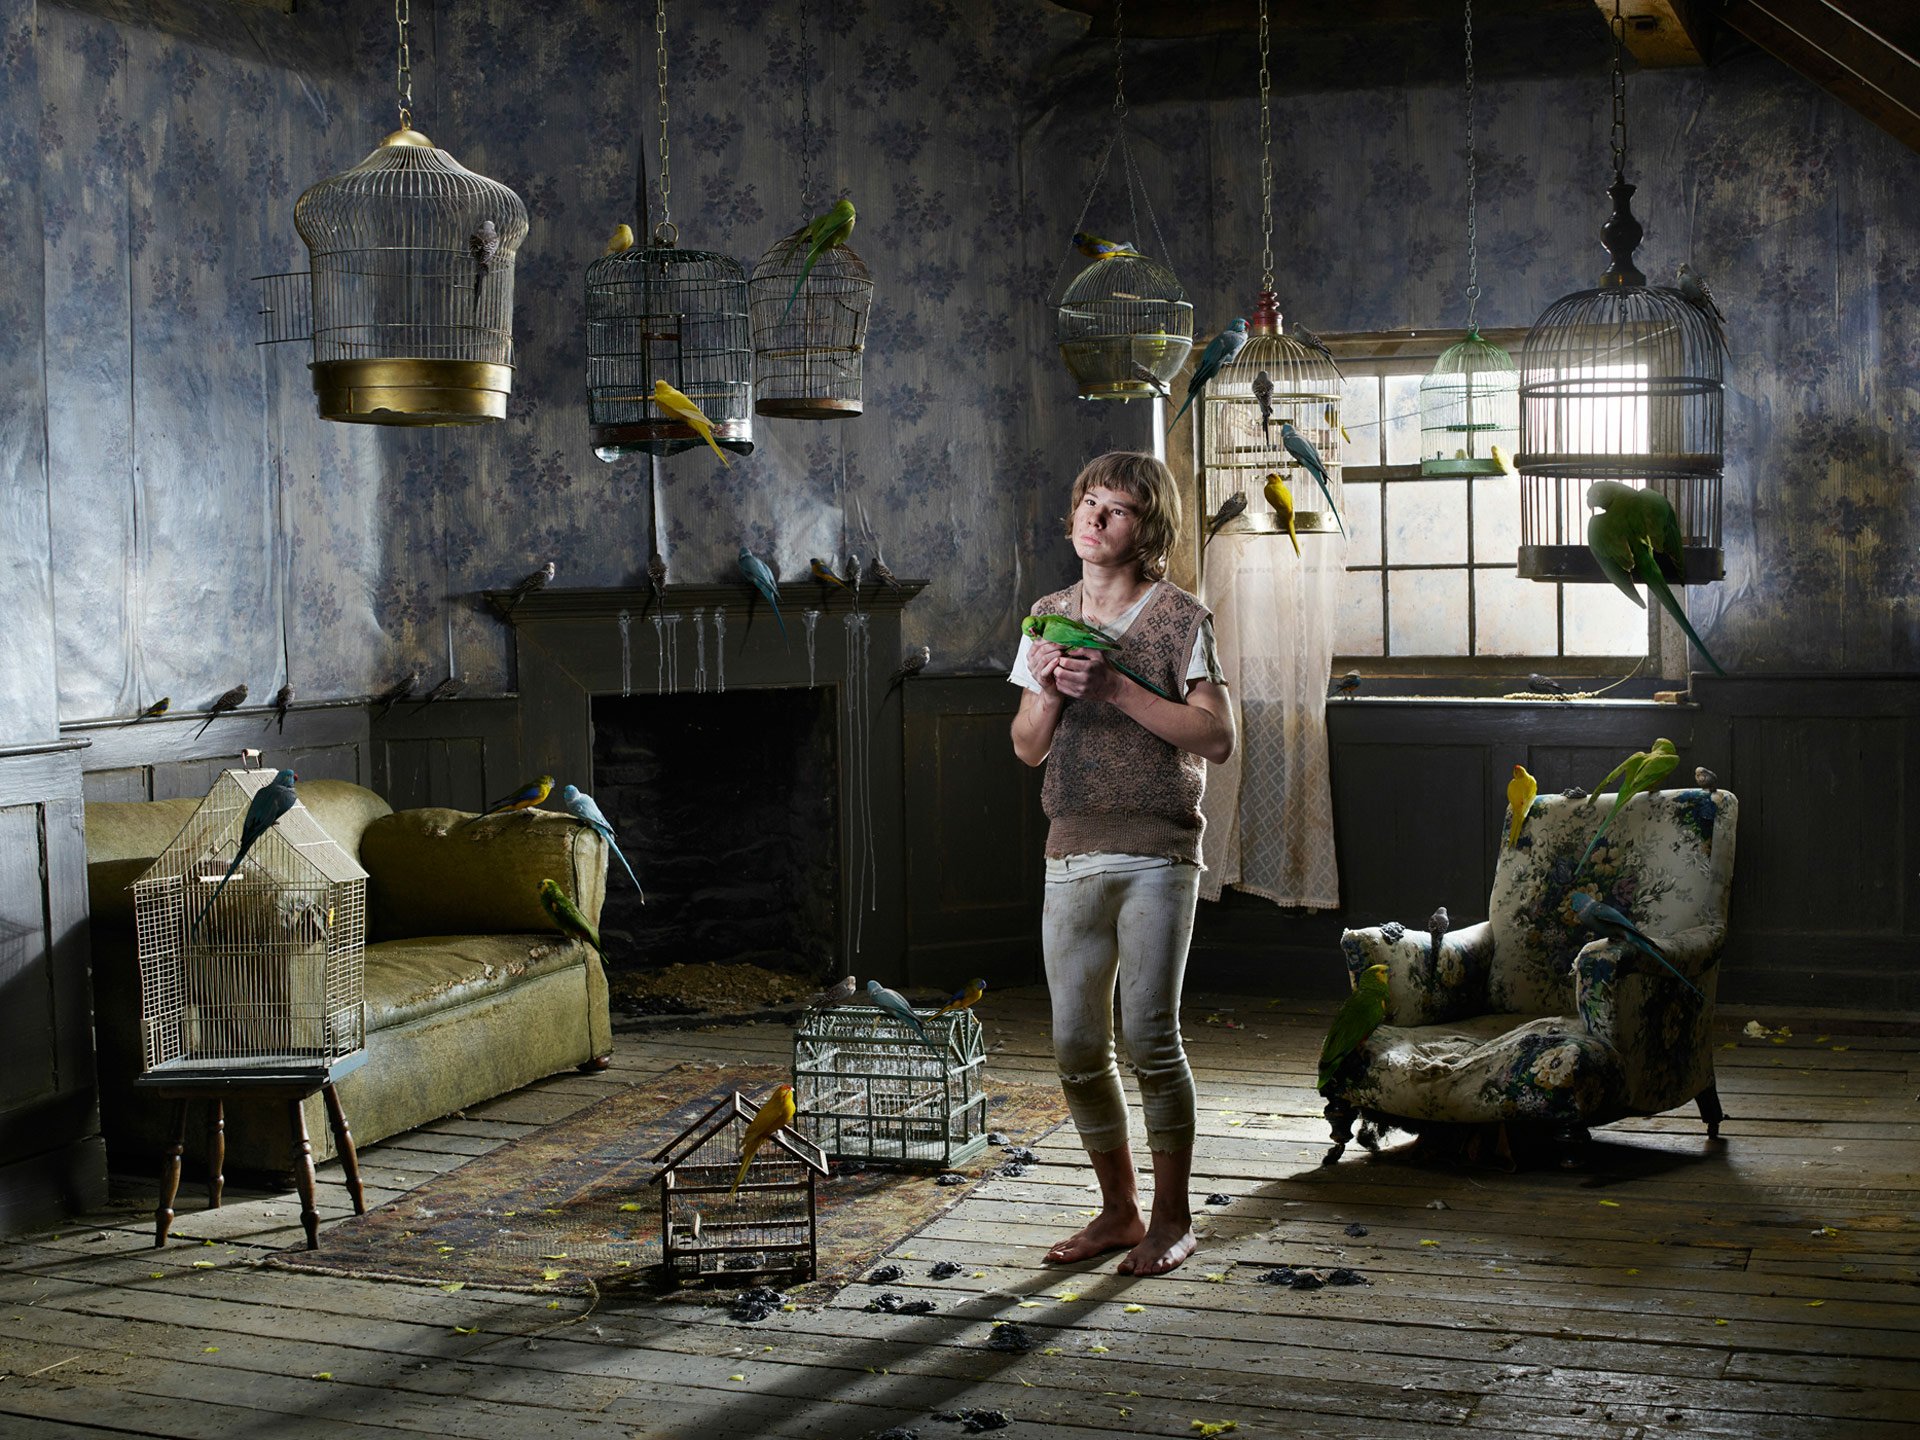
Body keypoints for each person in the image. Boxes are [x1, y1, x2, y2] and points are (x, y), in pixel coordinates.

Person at [1008, 451, 1235, 1276]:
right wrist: (1049, 693)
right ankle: (1119, 1212)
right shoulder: (1046, 617)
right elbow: (1027, 748)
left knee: (1149, 1038)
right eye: (1088, 503)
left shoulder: (1181, 619)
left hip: (1158, 852)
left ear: (1149, 529)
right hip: (1069, 849)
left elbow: (1217, 737)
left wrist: (1115, 689)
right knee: (1075, 1045)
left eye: (1118, 510)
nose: (1095, 519)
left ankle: (1172, 1220)